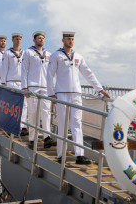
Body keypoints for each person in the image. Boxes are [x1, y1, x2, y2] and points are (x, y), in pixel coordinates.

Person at [47, 31, 110, 164]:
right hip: (62, 94)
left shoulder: (78, 57)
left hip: (76, 94)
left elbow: (88, 73)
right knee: (63, 125)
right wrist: (50, 93)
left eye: (72, 39)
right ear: (63, 40)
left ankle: (79, 155)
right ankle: (60, 155)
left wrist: (100, 89)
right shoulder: (56, 55)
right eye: (68, 39)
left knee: (77, 124)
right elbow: (49, 75)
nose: (71, 41)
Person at [22, 31, 56, 148]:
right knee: (33, 113)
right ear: (34, 40)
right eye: (39, 38)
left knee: (46, 113)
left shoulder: (48, 54)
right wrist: (24, 87)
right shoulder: (28, 52)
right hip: (33, 86)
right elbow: (24, 70)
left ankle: (47, 137)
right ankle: (32, 138)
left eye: (42, 38)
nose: (41, 40)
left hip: (45, 87)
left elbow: (51, 73)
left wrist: (52, 89)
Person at [1, 33, 28, 136]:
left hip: (22, 82)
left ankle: (23, 126)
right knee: (11, 104)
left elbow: (26, 69)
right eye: (16, 39)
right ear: (12, 40)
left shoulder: (24, 53)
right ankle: (9, 125)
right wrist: (3, 82)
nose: (18, 41)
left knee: (24, 105)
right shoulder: (7, 53)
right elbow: (4, 68)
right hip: (11, 81)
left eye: (20, 39)